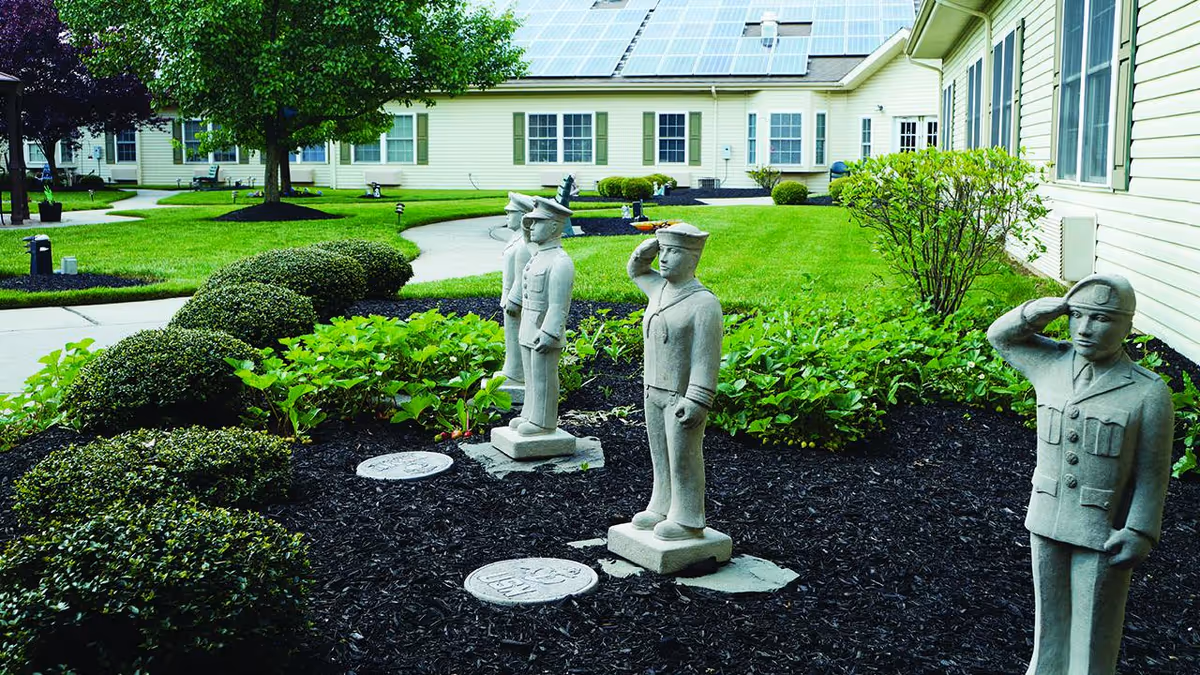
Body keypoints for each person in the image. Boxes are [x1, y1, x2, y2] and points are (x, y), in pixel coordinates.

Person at [987, 273, 1174, 675]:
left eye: (1102, 319)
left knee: (1092, 634)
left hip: (1101, 529)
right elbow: (999, 337)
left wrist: (1140, 530)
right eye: (1077, 316)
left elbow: (1153, 472)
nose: (1086, 328)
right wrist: (1039, 311)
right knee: (1049, 626)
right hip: (1047, 517)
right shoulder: (1049, 362)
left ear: (1128, 326)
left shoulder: (1146, 391)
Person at [626, 223, 722, 541]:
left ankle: (688, 516)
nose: (664, 259)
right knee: (660, 455)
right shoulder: (659, 289)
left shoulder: (704, 304)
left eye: (674, 252)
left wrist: (697, 399)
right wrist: (651, 245)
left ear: (693, 258)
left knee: (683, 456)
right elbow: (637, 269)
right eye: (663, 252)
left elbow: (705, 359)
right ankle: (661, 504)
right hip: (653, 389)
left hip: (681, 396)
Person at [507, 197, 574, 436]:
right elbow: (526, 236)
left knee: (544, 377)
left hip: (544, 330)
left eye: (538, 222)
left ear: (555, 227)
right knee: (531, 378)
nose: (531, 226)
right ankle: (529, 413)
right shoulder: (538, 255)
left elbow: (558, 305)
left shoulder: (560, 261)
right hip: (529, 326)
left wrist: (548, 333)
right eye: (530, 221)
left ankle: (543, 421)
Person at [497, 192, 536, 391]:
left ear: (522, 216)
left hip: (515, 300)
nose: (507, 215)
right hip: (508, 297)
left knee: (516, 335)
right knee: (511, 335)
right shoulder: (516, 238)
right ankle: (511, 369)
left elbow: (523, 274)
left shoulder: (524, 244)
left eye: (510, 212)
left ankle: (517, 372)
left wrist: (514, 298)